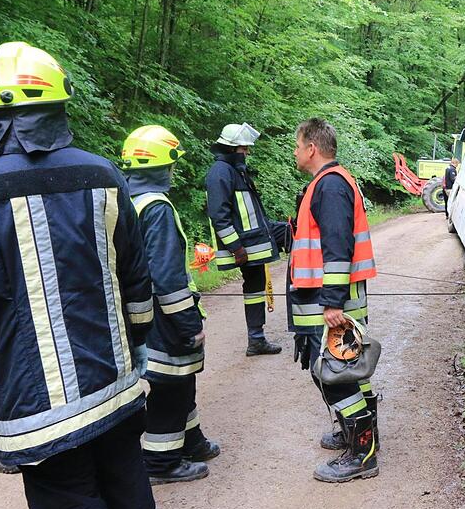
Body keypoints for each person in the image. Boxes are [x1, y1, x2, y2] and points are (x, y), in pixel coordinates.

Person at [0, 42, 166, 509]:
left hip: (37, 406)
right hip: (117, 387)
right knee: (132, 498)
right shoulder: (103, 175)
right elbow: (137, 285)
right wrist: (136, 346)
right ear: (57, 102)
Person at [121, 125, 219, 485]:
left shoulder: (127, 201)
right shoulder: (157, 208)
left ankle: (191, 442)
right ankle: (162, 463)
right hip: (163, 316)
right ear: (166, 165)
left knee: (180, 382)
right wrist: (190, 326)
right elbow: (168, 278)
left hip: (138, 311)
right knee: (170, 386)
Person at [289, 117, 379, 483]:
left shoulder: (329, 186)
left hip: (330, 302)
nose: (295, 152)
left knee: (337, 375)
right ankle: (354, 432)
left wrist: (332, 302)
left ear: (312, 148)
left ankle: (362, 454)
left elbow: (337, 247)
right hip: (328, 299)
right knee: (345, 369)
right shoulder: (330, 183)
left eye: (297, 146)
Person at [204, 123, 288, 355]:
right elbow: (219, 216)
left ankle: (256, 339)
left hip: (253, 241)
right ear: (232, 149)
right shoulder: (221, 172)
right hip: (244, 246)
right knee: (253, 286)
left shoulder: (235, 171)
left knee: (255, 287)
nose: (247, 153)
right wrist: (235, 247)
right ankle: (256, 338)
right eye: (244, 149)